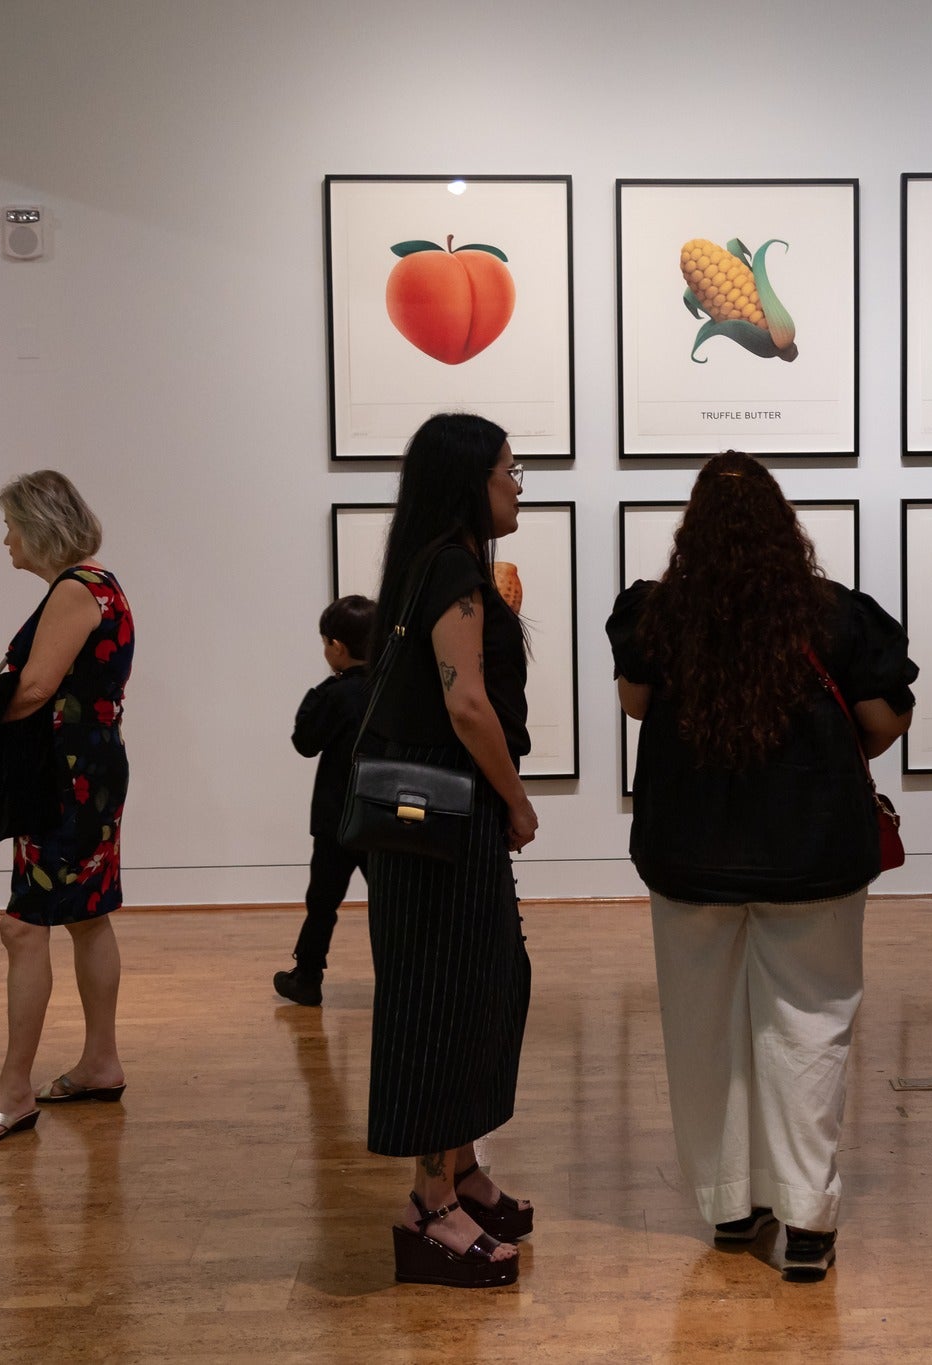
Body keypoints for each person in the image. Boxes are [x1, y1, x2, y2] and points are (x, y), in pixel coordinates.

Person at [607, 452, 917, 1284]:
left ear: (692, 530)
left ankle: (732, 1205)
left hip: (690, 852)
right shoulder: (833, 616)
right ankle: (808, 1220)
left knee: (703, 1030)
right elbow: (883, 719)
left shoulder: (657, 614)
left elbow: (637, 702)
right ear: (785, 527)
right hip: (813, 851)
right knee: (810, 1031)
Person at [363, 412, 535, 1288]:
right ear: (469, 477)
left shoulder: (428, 565)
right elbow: (466, 702)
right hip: (443, 821)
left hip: (429, 823)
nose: (519, 482)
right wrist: (515, 798)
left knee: (485, 984)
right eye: (510, 467)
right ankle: (429, 1206)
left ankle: (460, 1169)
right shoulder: (455, 569)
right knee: (444, 1002)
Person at [0, 470, 135, 1146]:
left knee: (24, 927)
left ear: (38, 525)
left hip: (63, 779)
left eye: (10, 526)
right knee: (88, 916)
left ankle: (14, 1088)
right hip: (89, 770)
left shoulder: (73, 590)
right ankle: (99, 1061)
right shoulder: (102, 584)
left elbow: (33, 688)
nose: (5, 540)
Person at [273, 594, 376, 1007]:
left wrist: (318, 696)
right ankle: (401, 980)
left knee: (322, 901)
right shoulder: (391, 687)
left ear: (336, 646)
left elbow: (305, 743)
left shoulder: (333, 695)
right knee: (389, 905)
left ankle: (308, 976)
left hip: (337, 818)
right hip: (384, 816)